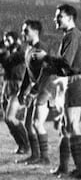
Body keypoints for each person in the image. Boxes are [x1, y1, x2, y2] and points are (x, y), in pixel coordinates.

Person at [32, 4, 81, 179]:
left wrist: (46, 58)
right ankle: (63, 167)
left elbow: (66, 63)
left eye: (59, 16)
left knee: (72, 125)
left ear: (69, 18)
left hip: (76, 80)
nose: (55, 19)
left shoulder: (72, 35)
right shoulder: (78, 36)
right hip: (80, 79)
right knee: (65, 126)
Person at [16, 20, 55, 165]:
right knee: (28, 124)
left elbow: (46, 71)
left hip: (44, 88)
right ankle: (35, 155)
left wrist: (34, 91)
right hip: (35, 88)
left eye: (26, 31)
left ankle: (44, 158)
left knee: (37, 123)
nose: (23, 33)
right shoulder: (29, 49)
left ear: (35, 32)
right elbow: (28, 72)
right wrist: (22, 91)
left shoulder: (40, 48)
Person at [0, 31, 29, 155]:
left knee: (10, 118)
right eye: (5, 38)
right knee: (7, 119)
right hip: (6, 84)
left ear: (16, 40)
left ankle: (27, 143)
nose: (6, 40)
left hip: (17, 84)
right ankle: (21, 144)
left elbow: (8, 60)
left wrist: (4, 50)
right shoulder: (6, 52)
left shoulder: (22, 52)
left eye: (8, 38)